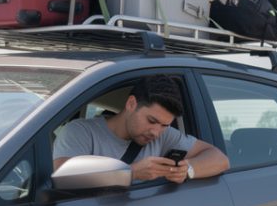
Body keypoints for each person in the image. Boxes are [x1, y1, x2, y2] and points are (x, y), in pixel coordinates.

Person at [52, 74, 229, 183]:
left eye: (164, 125)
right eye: (151, 120)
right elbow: (63, 176)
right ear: (131, 104)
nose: (156, 132)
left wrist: (187, 169)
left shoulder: (164, 135)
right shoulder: (80, 132)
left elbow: (220, 159)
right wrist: (132, 173)